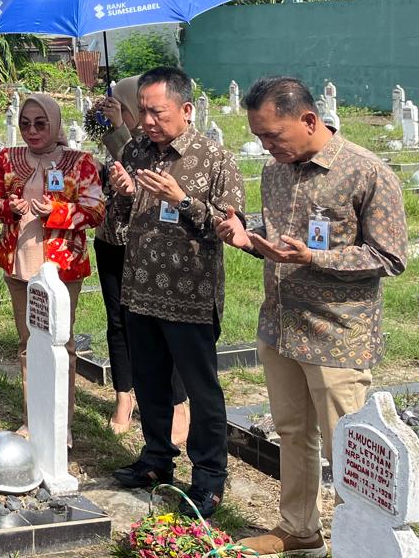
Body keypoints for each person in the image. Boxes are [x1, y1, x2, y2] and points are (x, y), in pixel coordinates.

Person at [218, 77, 407, 558]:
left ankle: (357, 541)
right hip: (281, 324)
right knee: (292, 432)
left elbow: (390, 257)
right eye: (259, 136)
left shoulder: (366, 171)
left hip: (336, 334)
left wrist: (316, 260)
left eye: (273, 135)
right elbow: (284, 240)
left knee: (348, 447)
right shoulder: (275, 173)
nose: (266, 146)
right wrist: (249, 237)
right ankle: (299, 529)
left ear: (308, 120)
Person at [108, 66, 245, 518]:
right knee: (149, 382)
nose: (146, 120)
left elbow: (231, 227)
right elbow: (118, 223)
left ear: (186, 110)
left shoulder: (215, 159)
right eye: (142, 111)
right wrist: (125, 194)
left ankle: (208, 478)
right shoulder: (135, 149)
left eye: (157, 112)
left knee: (201, 391)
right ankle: (156, 460)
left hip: (189, 295)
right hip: (140, 289)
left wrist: (181, 199)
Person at [0, 92, 104, 441]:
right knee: (27, 343)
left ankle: (62, 423)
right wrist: (11, 207)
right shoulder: (8, 159)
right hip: (19, 263)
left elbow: (96, 211)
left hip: (62, 265)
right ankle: (32, 417)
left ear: (54, 123)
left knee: (61, 344)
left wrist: (56, 212)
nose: (32, 131)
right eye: (25, 124)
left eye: (40, 123)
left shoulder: (80, 162)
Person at [94, 77, 190, 440]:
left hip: (150, 245)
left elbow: (142, 169)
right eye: (140, 109)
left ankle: (178, 402)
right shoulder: (115, 138)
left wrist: (121, 128)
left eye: (150, 109)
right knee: (118, 321)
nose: (145, 117)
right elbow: (113, 170)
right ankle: (123, 396)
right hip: (112, 240)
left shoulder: (158, 146)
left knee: (162, 321)